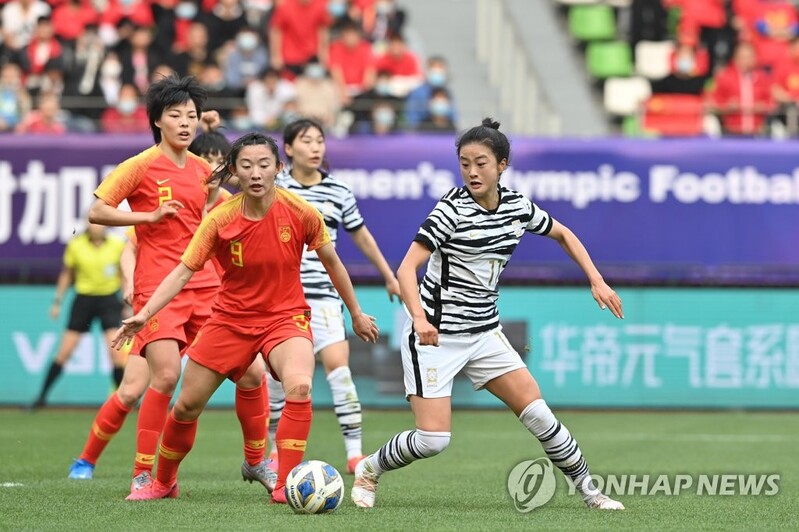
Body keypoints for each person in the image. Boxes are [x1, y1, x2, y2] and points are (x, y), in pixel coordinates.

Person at [350, 119, 626, 511]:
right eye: (465, 164)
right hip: (436, 336)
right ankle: (369, 468)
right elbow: (407, 268)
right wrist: (420, 319)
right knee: (433, 440)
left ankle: (591, 492)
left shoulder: (517, 206)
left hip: (484, 334)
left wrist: (596, 280)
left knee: (540, 416)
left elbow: (564, 234)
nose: (472, 172)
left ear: (502, 165)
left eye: (481, 163)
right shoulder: (451, 210)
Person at [119, 132, 379, 503]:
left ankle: (284, 486)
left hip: (285, 318)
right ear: (234, 172)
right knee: (186, 406)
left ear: (278, 167)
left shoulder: (302, 212)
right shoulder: (219, 219)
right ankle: (163, 482)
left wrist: (355, 312)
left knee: (300, 387)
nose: (255, 173)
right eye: (246, 166)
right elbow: (182, 272)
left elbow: (333, 262)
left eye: (263, 164)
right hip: (229, 320)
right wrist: (145, 314)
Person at [69, 76, 274, 499]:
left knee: (253, 373)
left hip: (209, 288)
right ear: (157, 121)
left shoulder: (203, 170)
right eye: (175, 115)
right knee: (164, 376)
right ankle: (143, 475)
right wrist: (146, 217)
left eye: (191, 116)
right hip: (158, 288)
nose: (184, 123)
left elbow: (237, 199)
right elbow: (97, 211)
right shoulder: (140, 165)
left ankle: (256, 461)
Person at [265, 118, 400, 475]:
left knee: (340, 373)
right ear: (288, 149)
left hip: (325, 298)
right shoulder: (275, 188)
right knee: (276, 380)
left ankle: (355, 454)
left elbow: (362, 236)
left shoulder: (338, 191)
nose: (315, 147)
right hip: (280, 299)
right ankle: (273, 452)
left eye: (319, 140)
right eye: (306, 140)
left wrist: (389, 276)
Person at [30, 222, 126, 409]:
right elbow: (67, 274)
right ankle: (41, 398)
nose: (97, 227)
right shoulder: (76, 245)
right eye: (93, 223)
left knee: (115, 353)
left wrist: (127, 301)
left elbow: (123, 275)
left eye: (100, 224)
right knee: (64, 352)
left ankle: (124, 402)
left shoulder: (117, 244)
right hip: (84, 300)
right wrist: (57, 301)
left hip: (108, 300)